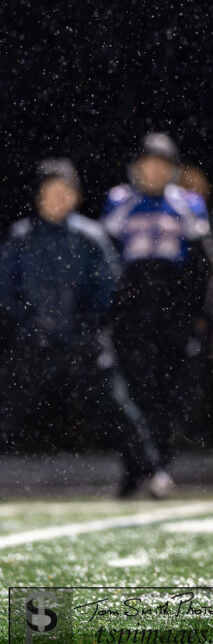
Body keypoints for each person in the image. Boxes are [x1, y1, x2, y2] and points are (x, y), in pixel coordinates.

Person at [0, 159, 172, 497]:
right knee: (7, 406)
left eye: (65, 192)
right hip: (35, 342)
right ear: (38, 196)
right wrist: (30, 324)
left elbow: (109, 287)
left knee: (119, 409)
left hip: (84, 343)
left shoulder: (90, 237)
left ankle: (151, 472)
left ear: (76, 197)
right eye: (50, 192)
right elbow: (6, 289)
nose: (58, 199)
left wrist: (87, 324)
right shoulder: (21, 237)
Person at [101, 132, 212, 470]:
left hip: (172, 309)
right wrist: (111, 309)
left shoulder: (188, 203)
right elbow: (106, 260)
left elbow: (203, 264)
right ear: (136, 167)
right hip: (133, 311)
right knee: (134, 390)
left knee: (171, 390)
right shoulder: (119, 200)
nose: (154, 172)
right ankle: (136, 467)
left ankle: (161, 463)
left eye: (162, 165)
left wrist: (201, 313)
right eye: (148, 164)